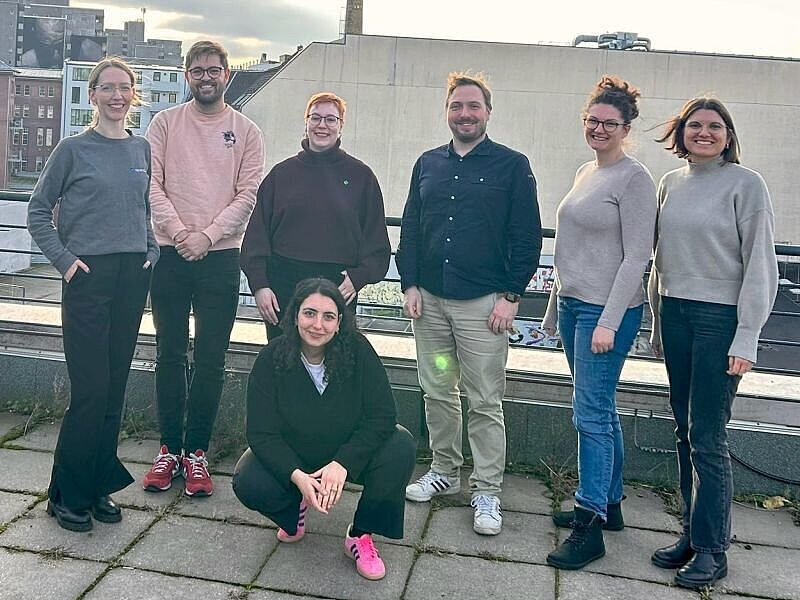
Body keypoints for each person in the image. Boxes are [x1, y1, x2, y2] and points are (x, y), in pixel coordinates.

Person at [396, 71, 542, 536]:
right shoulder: (428, 163)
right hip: (430, 302)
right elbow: (412, 227)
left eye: (473, 106)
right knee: (438, 392)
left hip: (484, 306)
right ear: (447, 112)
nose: (465, 114)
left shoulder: (512, 166)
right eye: (457, 106)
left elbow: (527, 236)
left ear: (488, 112)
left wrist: (512, 296)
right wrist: (409, 284)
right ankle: (444, 470)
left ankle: (487, 490)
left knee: (484, 400)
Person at [648, 97, 778, 589]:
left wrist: (747, 336)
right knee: (684, 431)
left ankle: (712, 549)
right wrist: (658, 326)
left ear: (728, 135)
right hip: (676, 315)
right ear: (680, 133)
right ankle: (691, 533)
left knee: (707, 435)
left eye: (715, 126)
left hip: (719, 321)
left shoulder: (746, 184)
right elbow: (661, 262)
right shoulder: (670, 183)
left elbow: (761, 265)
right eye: (695, 125)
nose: (704, 133)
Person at [27, 58, 158, 531]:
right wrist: (65, 262)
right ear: (93, 94)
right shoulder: (72, 149)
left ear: (133, 95)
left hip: (131, 276)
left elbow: (142, 208)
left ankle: (98, 485)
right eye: (108, 88)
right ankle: (67, 494)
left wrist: (151, 248)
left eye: (125, 88)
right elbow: (37, 211)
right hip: (87, 276)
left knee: (114, 389)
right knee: (90, 390)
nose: (117, 96)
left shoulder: (141, 148)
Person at [540, 76, 657, 569]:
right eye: (593, 120)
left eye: (610, 123)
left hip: (605, 314)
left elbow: (637, 257)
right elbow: (572, 251)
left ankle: (589, 527)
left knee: (588, 415)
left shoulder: (635, 179)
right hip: (574, 307)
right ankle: (609, 504)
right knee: (601, 410)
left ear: (626, 128)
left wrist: (608, 322)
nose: (599, 129)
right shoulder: (586, 171)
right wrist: (553, 311)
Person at [142, 40, 265, 497]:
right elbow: (151, 186)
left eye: (214, 70)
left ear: (227, 75)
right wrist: (180, 234)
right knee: (169, 354)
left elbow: (248, 195)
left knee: (211, 359)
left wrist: (207, 237)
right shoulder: (164, 124)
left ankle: (196, 453)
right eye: (198, 71)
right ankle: (168, 449)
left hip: (221, 257)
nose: (206, 77)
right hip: (169, 254)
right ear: (186, 76)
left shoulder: (246, 131)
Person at [232, 278, 415, 581]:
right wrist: (296, 475)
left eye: (328, 316)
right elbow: (261, 433)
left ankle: (360, 534)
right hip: (297, 454)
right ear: (295, 316)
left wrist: (343, 463)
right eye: (309, 313)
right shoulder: (271, 358)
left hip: (347, 451)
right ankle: (293, 509)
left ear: (339, 322)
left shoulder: (358, 351)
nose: (318, 324)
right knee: (248, 478)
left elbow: (382, 417)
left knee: (401, 445)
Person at [240, 92, 390, 339]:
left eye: (331, 119)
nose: (322, 125)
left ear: (341, 126)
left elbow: (376, 243)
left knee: (336, 359)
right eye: (316, 118)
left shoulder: (362, 177)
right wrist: (260, 286)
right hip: (283, 289)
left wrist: (358, 278)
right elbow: (256, 238)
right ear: (306, 122)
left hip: (337, 289)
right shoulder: (281, 175)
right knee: (283, 359)